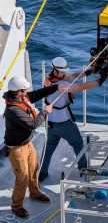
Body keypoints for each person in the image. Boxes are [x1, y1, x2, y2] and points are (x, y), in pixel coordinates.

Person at [3, 76, 68, 218]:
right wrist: (46, 112)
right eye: (24, 89)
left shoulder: (21, 98)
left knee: (34, 170)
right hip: (16, 149)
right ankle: (16, 206)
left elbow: (37, 94)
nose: (27, 91)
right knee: (23, 178)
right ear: (19, 92)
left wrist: (56, 87)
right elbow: (33, 124)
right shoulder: (14, 110)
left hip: (27, 143)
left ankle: (34, 193)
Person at [39, 57, 108, 181]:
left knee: (49, 147)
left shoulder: (48, 79)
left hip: (50, 123)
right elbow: (81, 86)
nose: (65, 73)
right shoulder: (62, 85)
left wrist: (91, 71)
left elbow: (73, 76)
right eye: (62, 72)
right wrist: (100, 80)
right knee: (78, 144)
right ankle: (83, 171)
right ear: (55, 71)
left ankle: (42, 172)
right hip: (64, 124)